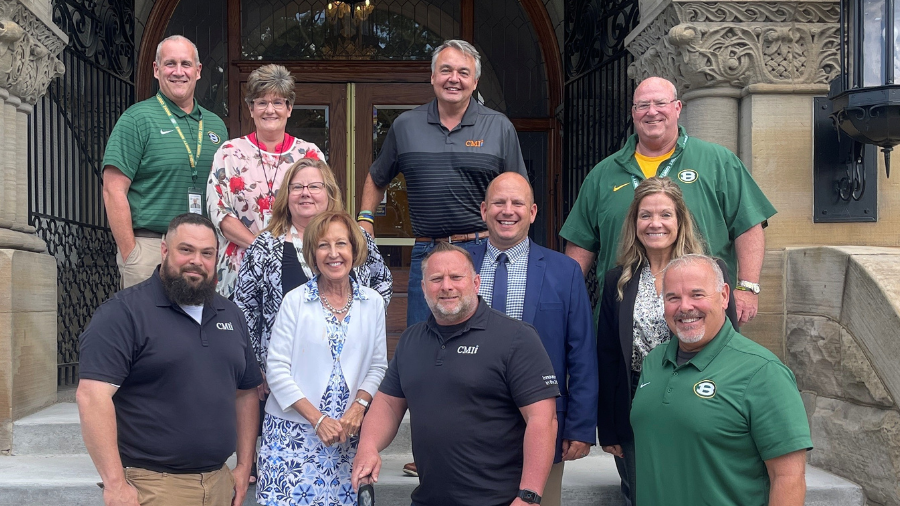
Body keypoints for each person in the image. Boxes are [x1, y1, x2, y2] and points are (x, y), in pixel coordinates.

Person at [351, 242, 559, 506]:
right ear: (424, 288)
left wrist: (529, 496)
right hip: (428, 500)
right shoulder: (411, 340)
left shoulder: (516, 338)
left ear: (476, 282)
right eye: (436, 279)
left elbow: (543, 420)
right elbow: (389, 404)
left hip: (499, 501)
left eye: (456, 277)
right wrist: (368, 446)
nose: (446, 286)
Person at [76, 213, 262, 506]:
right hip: (152, 487)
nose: (196, 261)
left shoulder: (231, 314)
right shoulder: (124, 313)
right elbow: (92, 397)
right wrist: (114, 485)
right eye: (185, 250)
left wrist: (243, 466)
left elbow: (246, 394)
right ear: (165, 250)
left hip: (219, 485)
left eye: (207, 253)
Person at [560, 76, 776, 325]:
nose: (652, 112)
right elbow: (580, 245)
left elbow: (749, 224)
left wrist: (748, 288)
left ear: (677, 108)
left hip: (702, 313)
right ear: (633, 113)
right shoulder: (603, 174)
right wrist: (567, 301)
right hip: (623, 320)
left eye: (660, 103)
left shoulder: (717, 161)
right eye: (643, 105)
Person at [358, 39, 527, 327]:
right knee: (423, 342)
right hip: (427, 252)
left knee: (485, 340)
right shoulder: (406, 125)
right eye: (446, 70)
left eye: (463, 72)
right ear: (433, 76)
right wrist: (365, 220)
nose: (454, 79)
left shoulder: (499, 127)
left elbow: (518, 191)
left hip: (483, 251)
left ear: (475, 81)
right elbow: (377, 177)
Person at [596, 177, 737, 506]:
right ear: (634, 223)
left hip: (699, 394)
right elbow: (607, 355)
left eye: (665, 214)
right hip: (636, 399)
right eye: (645, 215)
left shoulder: (709, 271)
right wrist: (609, 426)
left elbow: (731, 344)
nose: (654, 223)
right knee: (640, 492)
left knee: (696, 489)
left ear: (680, 219)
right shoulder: (618, 280)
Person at [631, 254, 811, 506]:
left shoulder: (763, 371)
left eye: (697, 294)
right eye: (673, 297)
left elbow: (788, 478)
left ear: (725, 296)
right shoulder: (653, 363)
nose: (684, 307)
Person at [469, 172, 597, 506]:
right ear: (484, 210)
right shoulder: (460, 265)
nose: (507, 210)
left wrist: (581, 427)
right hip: (469, 423)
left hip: (544, 426)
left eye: (517, 203)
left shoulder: (564, 271)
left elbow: (581, 352)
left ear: (533, 212)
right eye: (498, 202)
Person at [257, 210, 388, 506]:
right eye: (323, 245)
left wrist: (359, 406)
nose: (333, 254)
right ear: (312, 253)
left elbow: (378, 364)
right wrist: (317, 420)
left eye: (341, 244)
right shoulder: (295, 301)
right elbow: (276, 369)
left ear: (354, 250)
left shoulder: (373, 303)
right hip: (292, 436)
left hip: (347, 435)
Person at [102, 35, 228, 288]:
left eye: (186, 64)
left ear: (198, 71)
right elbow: (113, 189)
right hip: (151, 247)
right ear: (156, 70)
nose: (179, 72)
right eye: (170, 64)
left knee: (197, 325)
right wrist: (131, 253)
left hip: (201, 250)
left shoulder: (217, 127)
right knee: (147, 326)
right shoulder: (136, 119)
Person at [207, 63, 325, 298]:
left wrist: (284, 254)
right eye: (261, 102)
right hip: (239, 268)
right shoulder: (229, 153)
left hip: (297, 267)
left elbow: (322, 210)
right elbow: (219, 213)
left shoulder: (310, 154)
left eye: (278, 102)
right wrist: (260, 249)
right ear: (251, 108)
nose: (270, 110)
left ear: (289, 108)